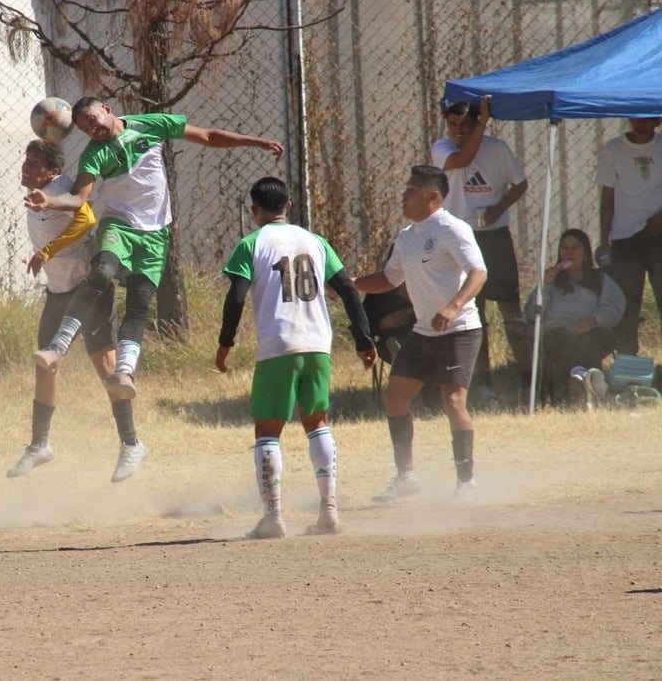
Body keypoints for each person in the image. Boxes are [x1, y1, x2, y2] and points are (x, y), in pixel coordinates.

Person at [24, 96, 284, 482]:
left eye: (93, 119)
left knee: (141, 304)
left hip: (155, 235)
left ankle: (126, 379)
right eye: (82, 126)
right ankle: (58, 349)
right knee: (101, 272)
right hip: (119, 227)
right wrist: (52, 200)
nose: (91, 128)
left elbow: (209, 136)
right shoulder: (94, 155)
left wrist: (256, 142)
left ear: (108, 109)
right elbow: (79, 198)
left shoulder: (153, 124)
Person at [216, 177, 376, 539]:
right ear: (289, 206)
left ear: (254, 211)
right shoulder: (316, 242)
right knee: (317, 423)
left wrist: (226, 341)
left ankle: (273, 517)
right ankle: (329, 512)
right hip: (319, 343)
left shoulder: (250, 244)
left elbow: (237, 296)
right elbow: (348, 289)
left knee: (268, 430)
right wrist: (364, 340)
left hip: (279, 345)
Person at [7, 140, 141, 483]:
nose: (26, 167)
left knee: (107, 368)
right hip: (58, 291)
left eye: (34, 163)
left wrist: (47, 251)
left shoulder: (62, 188)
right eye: (25, 161)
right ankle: (40, 445)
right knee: (45, 365)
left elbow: (86, 219)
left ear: (53, 171)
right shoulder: (40, 191)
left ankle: (130, 444)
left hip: (87, 289)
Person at [354, 165, 488, 503]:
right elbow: (389, 279)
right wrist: (350, 284)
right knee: (395, 397)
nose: (404, 194)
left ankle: (467, 482)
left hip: (459, 330)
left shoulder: (452, 228)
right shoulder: (407, 237)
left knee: (453, 401)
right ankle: (406, 477)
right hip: (424, 332)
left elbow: (478, 272)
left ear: (433, 196)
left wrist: (453, 307)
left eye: (412, 190)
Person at [431, 95, 530, 402]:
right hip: (461, 240)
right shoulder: (442, 148)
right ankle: (483, 382)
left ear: (477, 122)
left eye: (465, 124)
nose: (458, 130)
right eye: (452, 124)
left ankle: (529, 377)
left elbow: (520, 183)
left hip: (494, 236)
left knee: (511, 312)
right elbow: (461, 161)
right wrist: (482, 122)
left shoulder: (497, 149)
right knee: (475, 312)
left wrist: (499, 208)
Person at [524, 229, 625, 409]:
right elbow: (532, 313)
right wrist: (545, 286)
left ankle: (589, 385)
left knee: (589, 342)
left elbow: (615, 306)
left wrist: (594, 320)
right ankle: (572, 392)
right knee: (561, 341)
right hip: (558, 332)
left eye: (575, 248)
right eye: (564, 248)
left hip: (592, 329)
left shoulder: (599, 279)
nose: (569, 253)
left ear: (585, 254)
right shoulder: (551, 281)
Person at [595, 116, 662, 355]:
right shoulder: (614, 149)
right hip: (625, 238)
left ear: (658, 120)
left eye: (647, 119)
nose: (640, 124)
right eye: (636, 118)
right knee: (626, 306)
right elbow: (607, 197)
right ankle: (627, 367)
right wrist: (604, 241)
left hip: (658, 236)